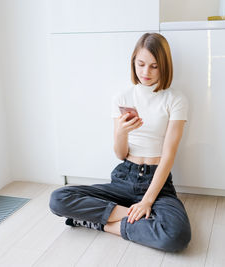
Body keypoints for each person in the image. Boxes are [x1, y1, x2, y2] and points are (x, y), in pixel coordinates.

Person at [49, 33, 191, 252]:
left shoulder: (175, 99)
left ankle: (101, 224)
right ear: (133, 62)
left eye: (154, 66)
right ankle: (144, 219)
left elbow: (169, 155)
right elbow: (120, 153)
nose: (146, 72)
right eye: (141, 64)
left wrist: (147, 201)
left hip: (158, 183)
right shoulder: (122, 97)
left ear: (164, 66)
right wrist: (121, 133)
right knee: (59, 198)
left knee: (177, 236)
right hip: (125, 177)